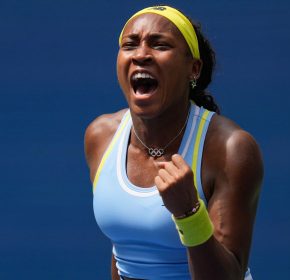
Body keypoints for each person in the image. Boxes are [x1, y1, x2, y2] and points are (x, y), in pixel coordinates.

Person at [84, 5, 263, 280]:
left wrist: (189, 214)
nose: (141, 54)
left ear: (193, 69)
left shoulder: (231, 149)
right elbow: (122, 253)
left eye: (159, 44)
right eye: (130, 44)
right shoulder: (100, 136)